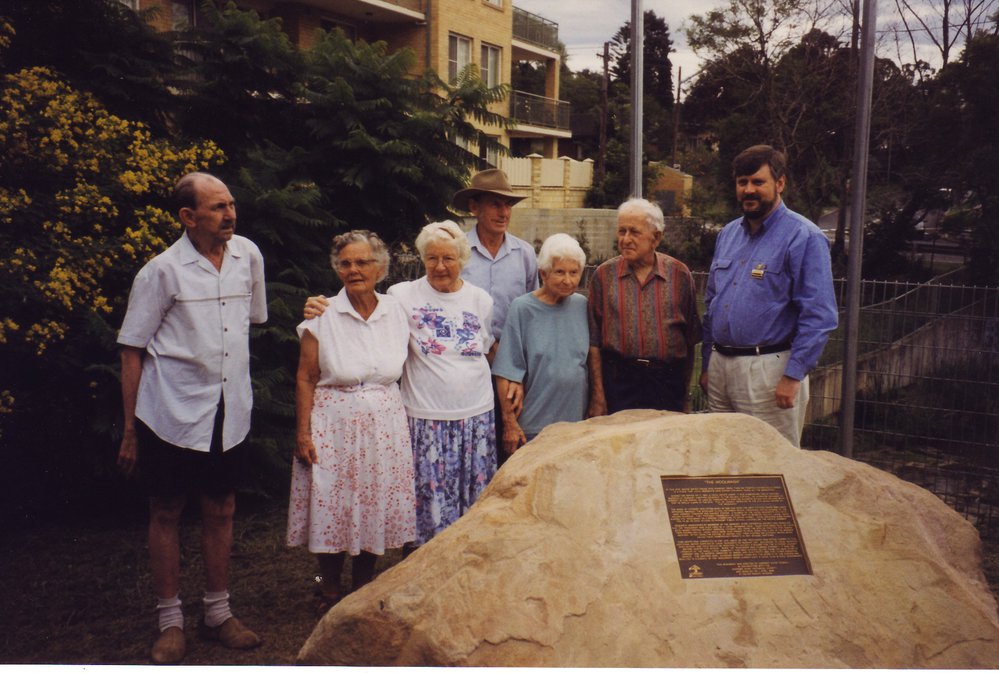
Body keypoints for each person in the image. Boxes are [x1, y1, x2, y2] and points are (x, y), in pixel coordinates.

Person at [117, 172, 265, 664]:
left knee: (221, 507)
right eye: (218, 207)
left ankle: (218, 614)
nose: (230, 214)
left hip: (230, 409)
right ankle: (170, 621)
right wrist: (131, 429)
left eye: (232, 204)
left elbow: (251, 322)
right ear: (188, 217)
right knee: (166, 510)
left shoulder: (248, 257)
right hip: (171, 412)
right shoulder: (160, 272)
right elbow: (132, 350)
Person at [286, 230, 416, 613]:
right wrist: (303, 432)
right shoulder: (322, 314)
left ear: (380, 267)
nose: (353, 269)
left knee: (373, 501)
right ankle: (327, 588)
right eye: (345, 263)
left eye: (362, 262)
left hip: (385, 423)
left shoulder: (397, 310)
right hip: (333, 421)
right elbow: (305, 376)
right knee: (333, 503)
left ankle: (362, 586)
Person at [699, 144, 838, 447]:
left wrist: (793, 376)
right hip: (721, 366)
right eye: (742, 182)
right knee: (720, 460)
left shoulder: (804, 237)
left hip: (768, 372)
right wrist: (708, 362)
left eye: (758, 182)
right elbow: (711, 304)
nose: (749, 190)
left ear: (780, 183)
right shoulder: (728, 235)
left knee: (771, 468)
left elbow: (820, 316)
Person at [386, 221, 497, 545]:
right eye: (431, 258)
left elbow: (486, 348)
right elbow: (369, 319)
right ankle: (419, 575)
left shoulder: (481, 300)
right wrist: (321, 305)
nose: (440, 266)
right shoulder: (401, 296)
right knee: (426, 510)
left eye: (448, 258)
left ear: (462, 260)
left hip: (475, 419)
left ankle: (467, 574)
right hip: (425, 421)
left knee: (471, 508)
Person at [586, 198, 702, 417]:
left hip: (666, 384)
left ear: (656, 237)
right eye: (622, 231)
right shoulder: (603, 276)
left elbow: (690, 341)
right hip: (619, 383)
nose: (625, 239)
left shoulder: (679, 275)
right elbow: (594, 342)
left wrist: (685, 396)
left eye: (634, 232)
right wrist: (598, 396)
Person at [492, 233, 590, 455]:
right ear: (543, 274)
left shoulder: (582, 306)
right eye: (560, 272)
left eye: (574, 273)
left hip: (575, 426)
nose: (568, 280)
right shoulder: (522, 308)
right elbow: (506, 372)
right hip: (533, 427)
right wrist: (510, 424)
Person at [451, 168, 538, 343]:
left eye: (508, 205)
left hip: (513, 353)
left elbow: (534, 308)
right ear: (474, 207)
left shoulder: (525, 254)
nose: (504, 213)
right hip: (466, 349)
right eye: (495, 204)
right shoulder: (456, 251)